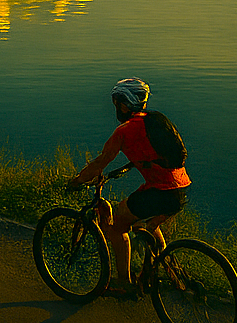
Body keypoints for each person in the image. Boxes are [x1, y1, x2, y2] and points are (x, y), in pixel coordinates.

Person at [67, 77, 190, 297]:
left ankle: (125, 282)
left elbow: (99, 163)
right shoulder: (155, 120)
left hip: (158, 193)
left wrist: (76, 181)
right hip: (179, 189)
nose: (115, 107)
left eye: (116, 103)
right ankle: (166, 272)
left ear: (124, 104)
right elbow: (152, 155)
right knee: (145, 226)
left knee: (117, 226)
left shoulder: (124, 131)